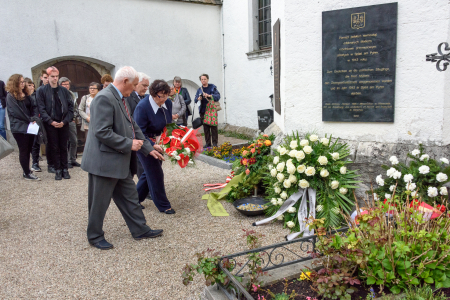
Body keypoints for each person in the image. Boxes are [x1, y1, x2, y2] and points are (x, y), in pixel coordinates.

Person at [80, 66, 164, 250]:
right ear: (124, 81)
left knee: (130, 197)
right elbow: (101, 132)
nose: (135, 89)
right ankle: (94, 236)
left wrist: (148, 148)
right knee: (99, 203)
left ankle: (140, 229)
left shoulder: (120, 97)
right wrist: (129, 144)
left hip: (119, 161)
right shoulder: (104, 98)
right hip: (103, 163)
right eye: (134, 85)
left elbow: (133, 126)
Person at [134, 79, 175, 214]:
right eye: (160, 96)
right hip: (144, 143)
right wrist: (152, 145)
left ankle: (133, 200)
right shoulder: (142, 107)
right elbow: (139, 132)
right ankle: (163, 205)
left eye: (166, 95)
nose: (163, 99)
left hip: (160, 142)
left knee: (149, 173)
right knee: (156, 173)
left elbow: (168, 124)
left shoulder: (167, 103)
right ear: (152, 94)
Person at [36, 66, 74, 180]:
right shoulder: (41, 91)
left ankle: (64, 169)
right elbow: (41, 109)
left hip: (63, 123)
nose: (55, 79)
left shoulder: (63, 91)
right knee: (54, 146)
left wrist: (65, 121)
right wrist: (50, 121)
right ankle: (57, 169)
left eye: (56, 76)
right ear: (47, 77)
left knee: (63, 146)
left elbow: (71, 108)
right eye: (52, 76)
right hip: (50, 124)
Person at [6, 74, 40, 181]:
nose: (23, 84)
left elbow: (33, 106)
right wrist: (30, 119)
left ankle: (27, 170)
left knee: (29, 148)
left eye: (23, 82)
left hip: (30, 126)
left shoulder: (26, 93)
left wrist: (34, 116)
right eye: (20, 82)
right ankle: (26, 173)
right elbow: (16, 112)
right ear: (15, 83)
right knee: (24, 150)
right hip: (19, 127)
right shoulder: (10, 96)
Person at [59, 77, 80, 168]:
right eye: (64, 84)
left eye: (67, 84)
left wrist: (74, 117)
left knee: (74, 141)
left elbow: (75, 107)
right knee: (64, 142)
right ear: (60, 85)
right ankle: (65, 161)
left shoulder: (72, 94)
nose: (66, 86)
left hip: (71, 120)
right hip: (62, 121)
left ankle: (72, 159)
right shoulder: (58, 94)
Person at [194, 74, 221, 147]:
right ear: (200, 80)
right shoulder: (199, 89)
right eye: (202, 79)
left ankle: (215, 143)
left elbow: (218, 96)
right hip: (203, 111)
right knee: (206, 128)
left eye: (205, 79)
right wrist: (198, 98)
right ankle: (208, 143)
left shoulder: (212, 87)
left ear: (208, 80)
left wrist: (209, 96)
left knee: (213, 127)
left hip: (212, 110)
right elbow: (195, 99)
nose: (203, 81)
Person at [35, 70, 53, 173]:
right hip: (45, 120)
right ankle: (49, 164)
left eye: (48, 77)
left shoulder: (54, 89)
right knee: (48, 142)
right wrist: (47, 119)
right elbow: (41, 107)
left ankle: (56, 163)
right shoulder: (40, 90)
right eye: (45, 77)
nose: (47, 79)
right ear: (42, 78)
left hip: (55, 120)